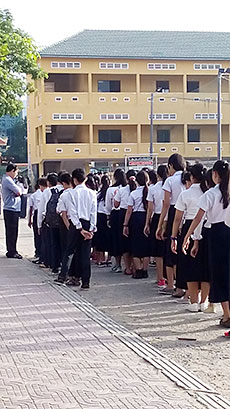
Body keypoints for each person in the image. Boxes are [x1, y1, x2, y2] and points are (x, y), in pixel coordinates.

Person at [183, 160, 230, 327]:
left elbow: (198, 218)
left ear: (214, 175)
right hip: (228, 231)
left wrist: (188, 236)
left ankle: (227, 315)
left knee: (219, 275)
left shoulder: (210, 194)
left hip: (216, 234)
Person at [171, 163, 209, 312]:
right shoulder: (208, 192)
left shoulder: (185, 194)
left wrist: (174, 237)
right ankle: (204, 301)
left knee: (189, 264)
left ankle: (193, 301)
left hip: (189, 226)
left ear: (191, 177)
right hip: (206, 228)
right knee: (205, 265)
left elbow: (177, 218)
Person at [56, 168, 97, 289]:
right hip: (88, 223)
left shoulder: (71, 193)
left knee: (69, 251)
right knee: (85, 254)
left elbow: (72, 213)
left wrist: (79, 228)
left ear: (74, 179)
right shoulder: (92, 193)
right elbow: (93, 212)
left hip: (76, 225)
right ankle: (85, 281)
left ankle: (63, 275)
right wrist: (91, 229)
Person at [156, 154, 186, 295]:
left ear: (171, 166)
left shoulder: (170, 181)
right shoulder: (187, 178)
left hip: (174, 213)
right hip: (188, 214)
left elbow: (166, 204)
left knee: (171, 251)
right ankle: (183, 287)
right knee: (183, 251)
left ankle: (171, 284)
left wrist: (160, 224)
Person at [123, 170, 150, 279]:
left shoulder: (133, 193)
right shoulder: (149, 191)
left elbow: (129, 210)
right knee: (146, 247)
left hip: (136, 219)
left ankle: (138, 271)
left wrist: (125, 224)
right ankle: (145, 270)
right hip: (146, 218)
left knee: (136, 246)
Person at [144, 165, 168, 287]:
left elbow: (150, 209)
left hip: (157, 217)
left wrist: (147, 223)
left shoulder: (153, 188)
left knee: (158, 252)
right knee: (168, 250)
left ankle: (160, 278)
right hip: (169, 219)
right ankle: (171, 277)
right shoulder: (170, 186)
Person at [114, 169, 137, 275]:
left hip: (123, 215)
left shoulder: (122, 190)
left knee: (124, 243)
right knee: (133, 241)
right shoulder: (142, 190)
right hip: (136, 215)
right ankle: (134, 266)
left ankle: (127, 267)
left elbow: (116, 205)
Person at [105, 168, 127, 273]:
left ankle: (118, 264)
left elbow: (108, 205)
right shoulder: (128, 188)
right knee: (125, 239)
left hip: (115, 215)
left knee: (115, 240)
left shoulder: (111, 189)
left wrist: (108, 216)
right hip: (125, 214)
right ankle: (128, 264)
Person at [1, 163, 22, 258]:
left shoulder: (8, 180)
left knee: (12, 231)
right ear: (12, 171)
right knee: (12, 232)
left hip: (12, 209)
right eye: (16, 172)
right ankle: (12, 251)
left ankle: (12, 250)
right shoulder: (8, 180)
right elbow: (19, 192)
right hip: (11, 209)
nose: (16, 174)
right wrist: (18, 191)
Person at [28, 177, 47, 261]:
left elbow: (30, 208)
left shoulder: (34, 195)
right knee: (44, 236)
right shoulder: (48, 192)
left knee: (37, 235)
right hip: (46, 215)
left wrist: (29, 220)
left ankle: (38, 252)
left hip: (37, 214)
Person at [94, 174, 111, 265]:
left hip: (100, 216)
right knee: (108, 237)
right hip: (108, 215)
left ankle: (100, 259)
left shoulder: (99, 194)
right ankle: (109, 258)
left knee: (100, 237)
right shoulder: (111, 191)